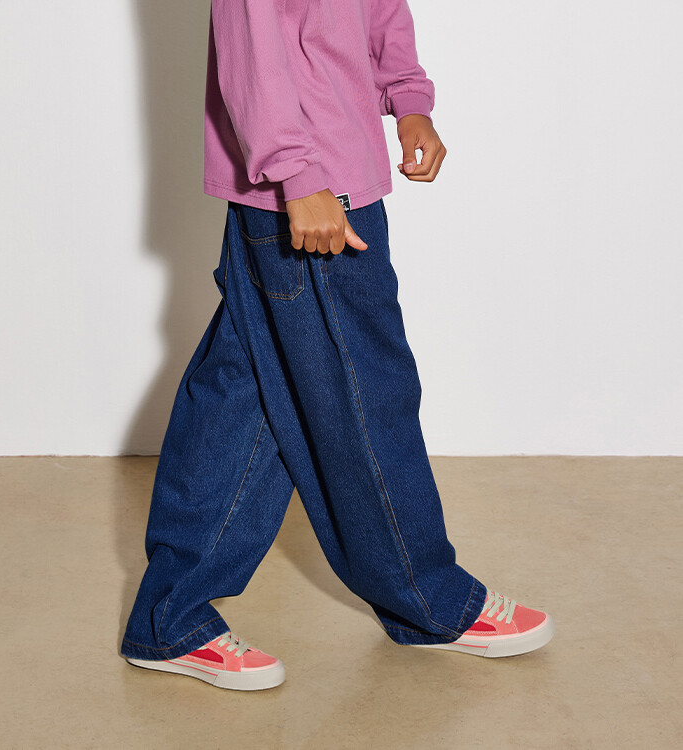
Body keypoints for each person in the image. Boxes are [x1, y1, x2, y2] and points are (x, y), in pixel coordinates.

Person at [120, 0, 554, 691]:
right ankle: (428, 599)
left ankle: (168, 619)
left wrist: (408, 100)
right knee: (366, 396)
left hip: (329, 176)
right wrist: (298, 177)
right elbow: (251, 48)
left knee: (247, 395)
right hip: (310, 191)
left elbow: (378, 11)